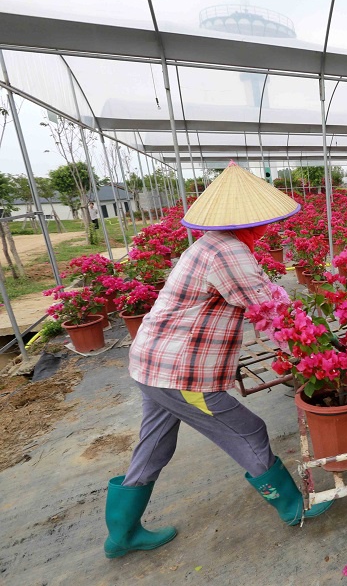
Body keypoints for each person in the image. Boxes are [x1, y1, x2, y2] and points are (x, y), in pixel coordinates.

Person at [103, 161, 331, 560]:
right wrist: (320, 348)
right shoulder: (228, 252)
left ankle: (121, 534)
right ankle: (294, 507)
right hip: (180, 372)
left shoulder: (212, 243)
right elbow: (267, 307)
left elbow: (261, 292)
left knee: (155, 444)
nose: (269, 226)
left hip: (153, 364)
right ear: (253, 218)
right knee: (249, 431)